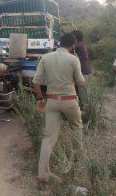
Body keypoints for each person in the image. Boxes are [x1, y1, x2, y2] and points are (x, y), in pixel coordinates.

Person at [32, 33, 86, 190]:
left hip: (52, 100)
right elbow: (81, 83)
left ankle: (42, 177)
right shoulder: (73, 59)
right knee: (77, 129)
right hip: (70, 100)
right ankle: (77, 167)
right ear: (73, 45)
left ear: (59, 43)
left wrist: (40, 99)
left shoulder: (46, 57)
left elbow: (36, 82)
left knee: (48, 138)